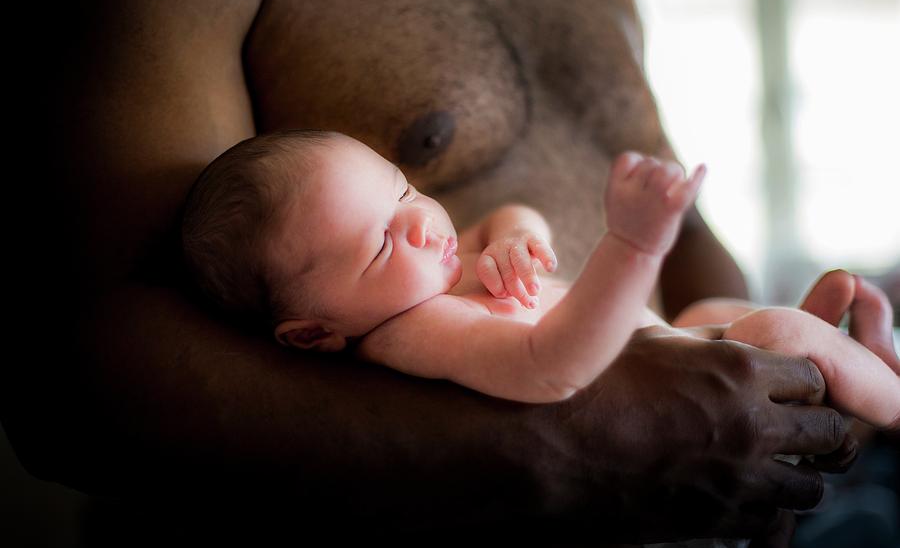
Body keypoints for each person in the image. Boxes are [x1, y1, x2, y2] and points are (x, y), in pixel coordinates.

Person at [1, 0, 869, 548]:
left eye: (412, 193)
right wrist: (579, 452)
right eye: (391, 224)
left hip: (728, 481)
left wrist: (785, 415)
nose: (421, 220)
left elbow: (685, 230)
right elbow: (72, 376)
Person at [182, 130, 900, 427]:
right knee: (767, 332)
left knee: (716, 311)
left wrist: (519, 236)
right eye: (379, 244)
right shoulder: (417, 329)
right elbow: (549, 367)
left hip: (672, 344)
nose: (424, 226)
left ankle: (836, 375)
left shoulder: (423, 274)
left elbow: (504, 215)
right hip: (674, 406)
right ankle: (880, 401)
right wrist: (633, 246)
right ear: (312, 333)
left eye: (402, 192)